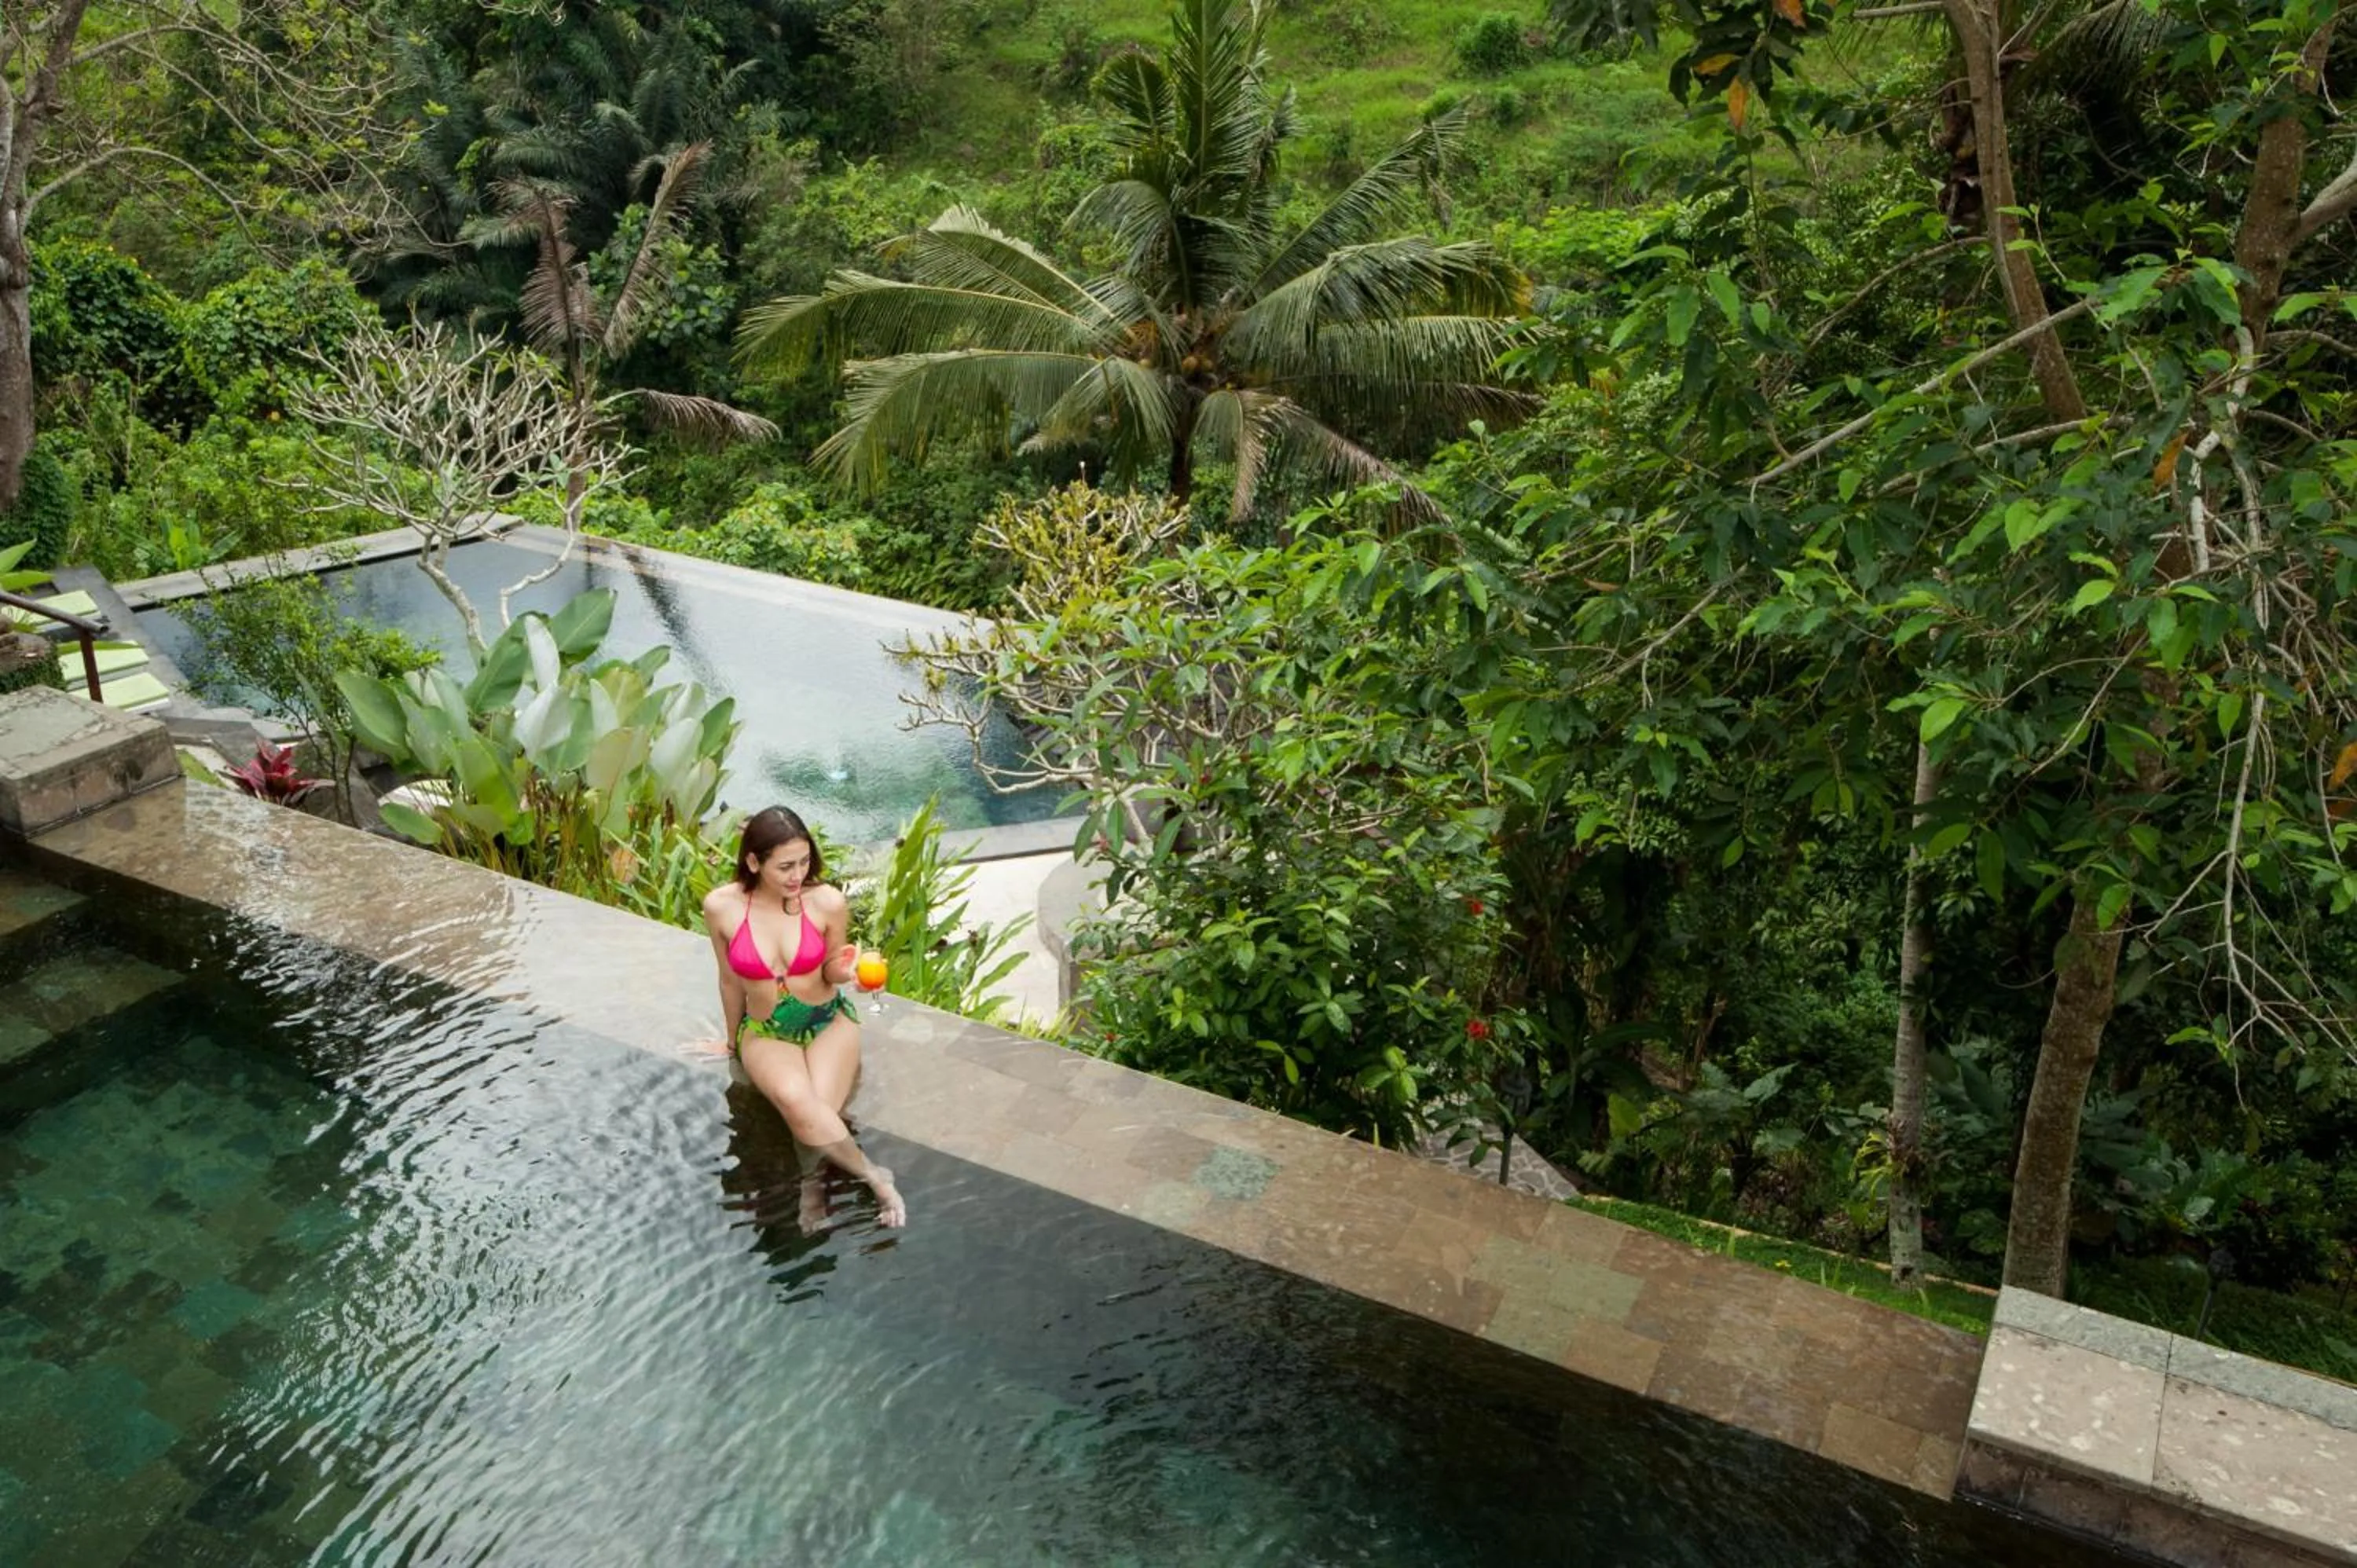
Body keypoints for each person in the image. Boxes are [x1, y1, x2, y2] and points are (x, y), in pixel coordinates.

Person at [703, 805, 906, 1228]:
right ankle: (875, 1176)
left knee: (818, 1111)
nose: (797, 876)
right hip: (768, 1031)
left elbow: (831, 968)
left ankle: (812, 1182)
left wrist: (849, 972)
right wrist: (729, 1041)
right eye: (785, 867)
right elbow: (728, 980)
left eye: (804, 862)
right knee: (800, 1103)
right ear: (754, 862)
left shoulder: (826, 902)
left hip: (826, 1021)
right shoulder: (722, 907)